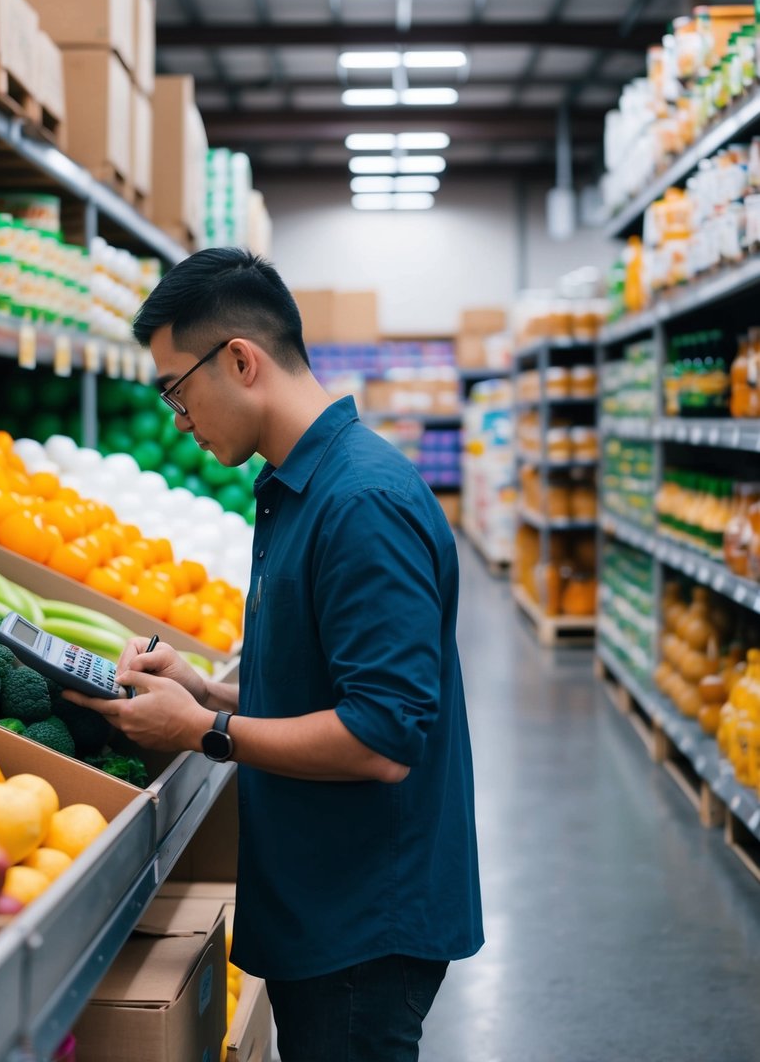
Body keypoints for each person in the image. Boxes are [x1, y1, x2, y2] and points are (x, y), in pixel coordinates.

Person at [65, 247, 484, 1062]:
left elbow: (381, 738)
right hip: (323, 903)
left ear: (240, 360)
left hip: (362, 926)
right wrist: (208, 692)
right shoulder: (300, 485)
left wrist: (201, 733)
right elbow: (323, 678)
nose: (177, 419)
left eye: (176, 389)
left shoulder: (360, 503)